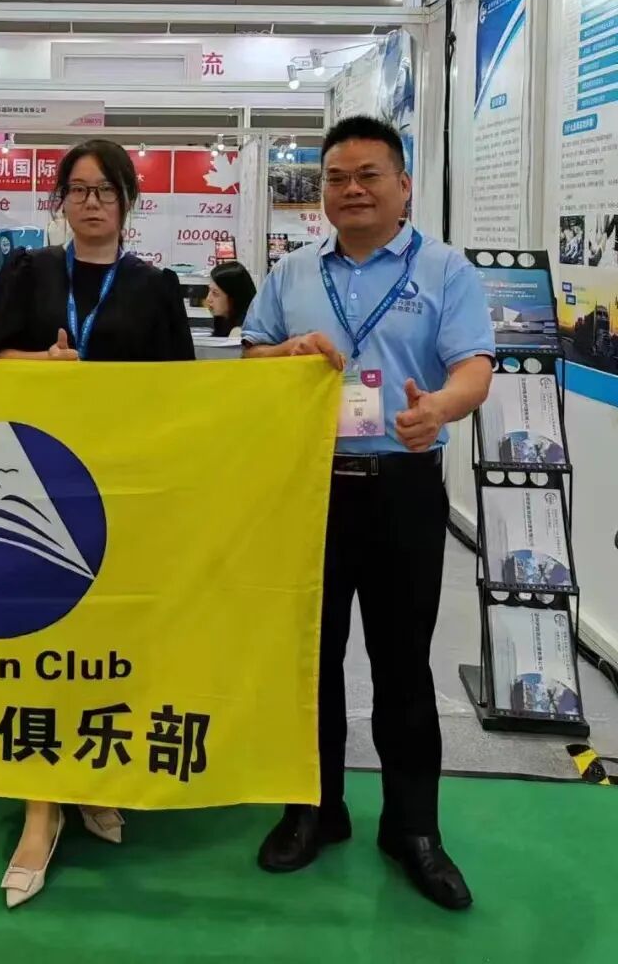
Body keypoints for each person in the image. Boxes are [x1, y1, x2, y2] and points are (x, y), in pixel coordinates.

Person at [242, 115, 493, 912]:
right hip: (308, 487)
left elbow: (474, 367)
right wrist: (283, 354)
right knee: (309, 659)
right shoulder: (292, 272)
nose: (351, 189)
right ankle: (313, 809)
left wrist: (439, 409)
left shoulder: (445, 269)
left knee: (403, 663)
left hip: (403, 487)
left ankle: (413, 827)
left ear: (403, 184)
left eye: (368, 175)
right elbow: (252, 353)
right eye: (336, 178)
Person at [0, 137, 194, 908]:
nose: (91, 202)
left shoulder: (155, 287)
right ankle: (41, 809)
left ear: (129, 200)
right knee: (40, 644)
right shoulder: (28, 272)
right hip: (32, 486)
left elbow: (181, 396)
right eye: (78, 188)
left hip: (124, 489)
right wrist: (48, 365)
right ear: (60, 200)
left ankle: (95, 777)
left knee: (108, 643)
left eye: (106, 189)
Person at [204, 260, 257, 338]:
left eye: (215, 293)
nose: (208, 299)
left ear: (234, 297)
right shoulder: (223, 322)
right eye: (209, 291)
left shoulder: (241, 333)